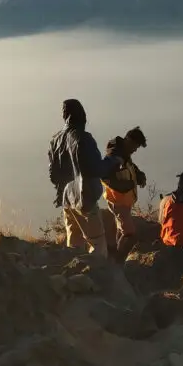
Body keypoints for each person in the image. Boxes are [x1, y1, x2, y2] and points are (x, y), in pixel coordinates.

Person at [49, 99, 122, 257]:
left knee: (73, 245)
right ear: (83, 116)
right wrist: (113, 161)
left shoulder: (55, 140)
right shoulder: (84, 138)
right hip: (85, 201)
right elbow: (96, 169)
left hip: (67, 200)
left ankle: (75, 275)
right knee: (97, 245)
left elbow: (53, 176)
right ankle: (95, 276)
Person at [101, 127, 147, 262]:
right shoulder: (115, 156)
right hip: (118, 201)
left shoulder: (123, 153)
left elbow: (130, 167)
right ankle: (117, 262)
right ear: (128, 140)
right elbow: (104, 176)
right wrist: (123, 186)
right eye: (135, 146)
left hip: (123, 201)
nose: (135, 150)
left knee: (121, 230)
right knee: (129, 234)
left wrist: (138, 175)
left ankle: (114, 257)